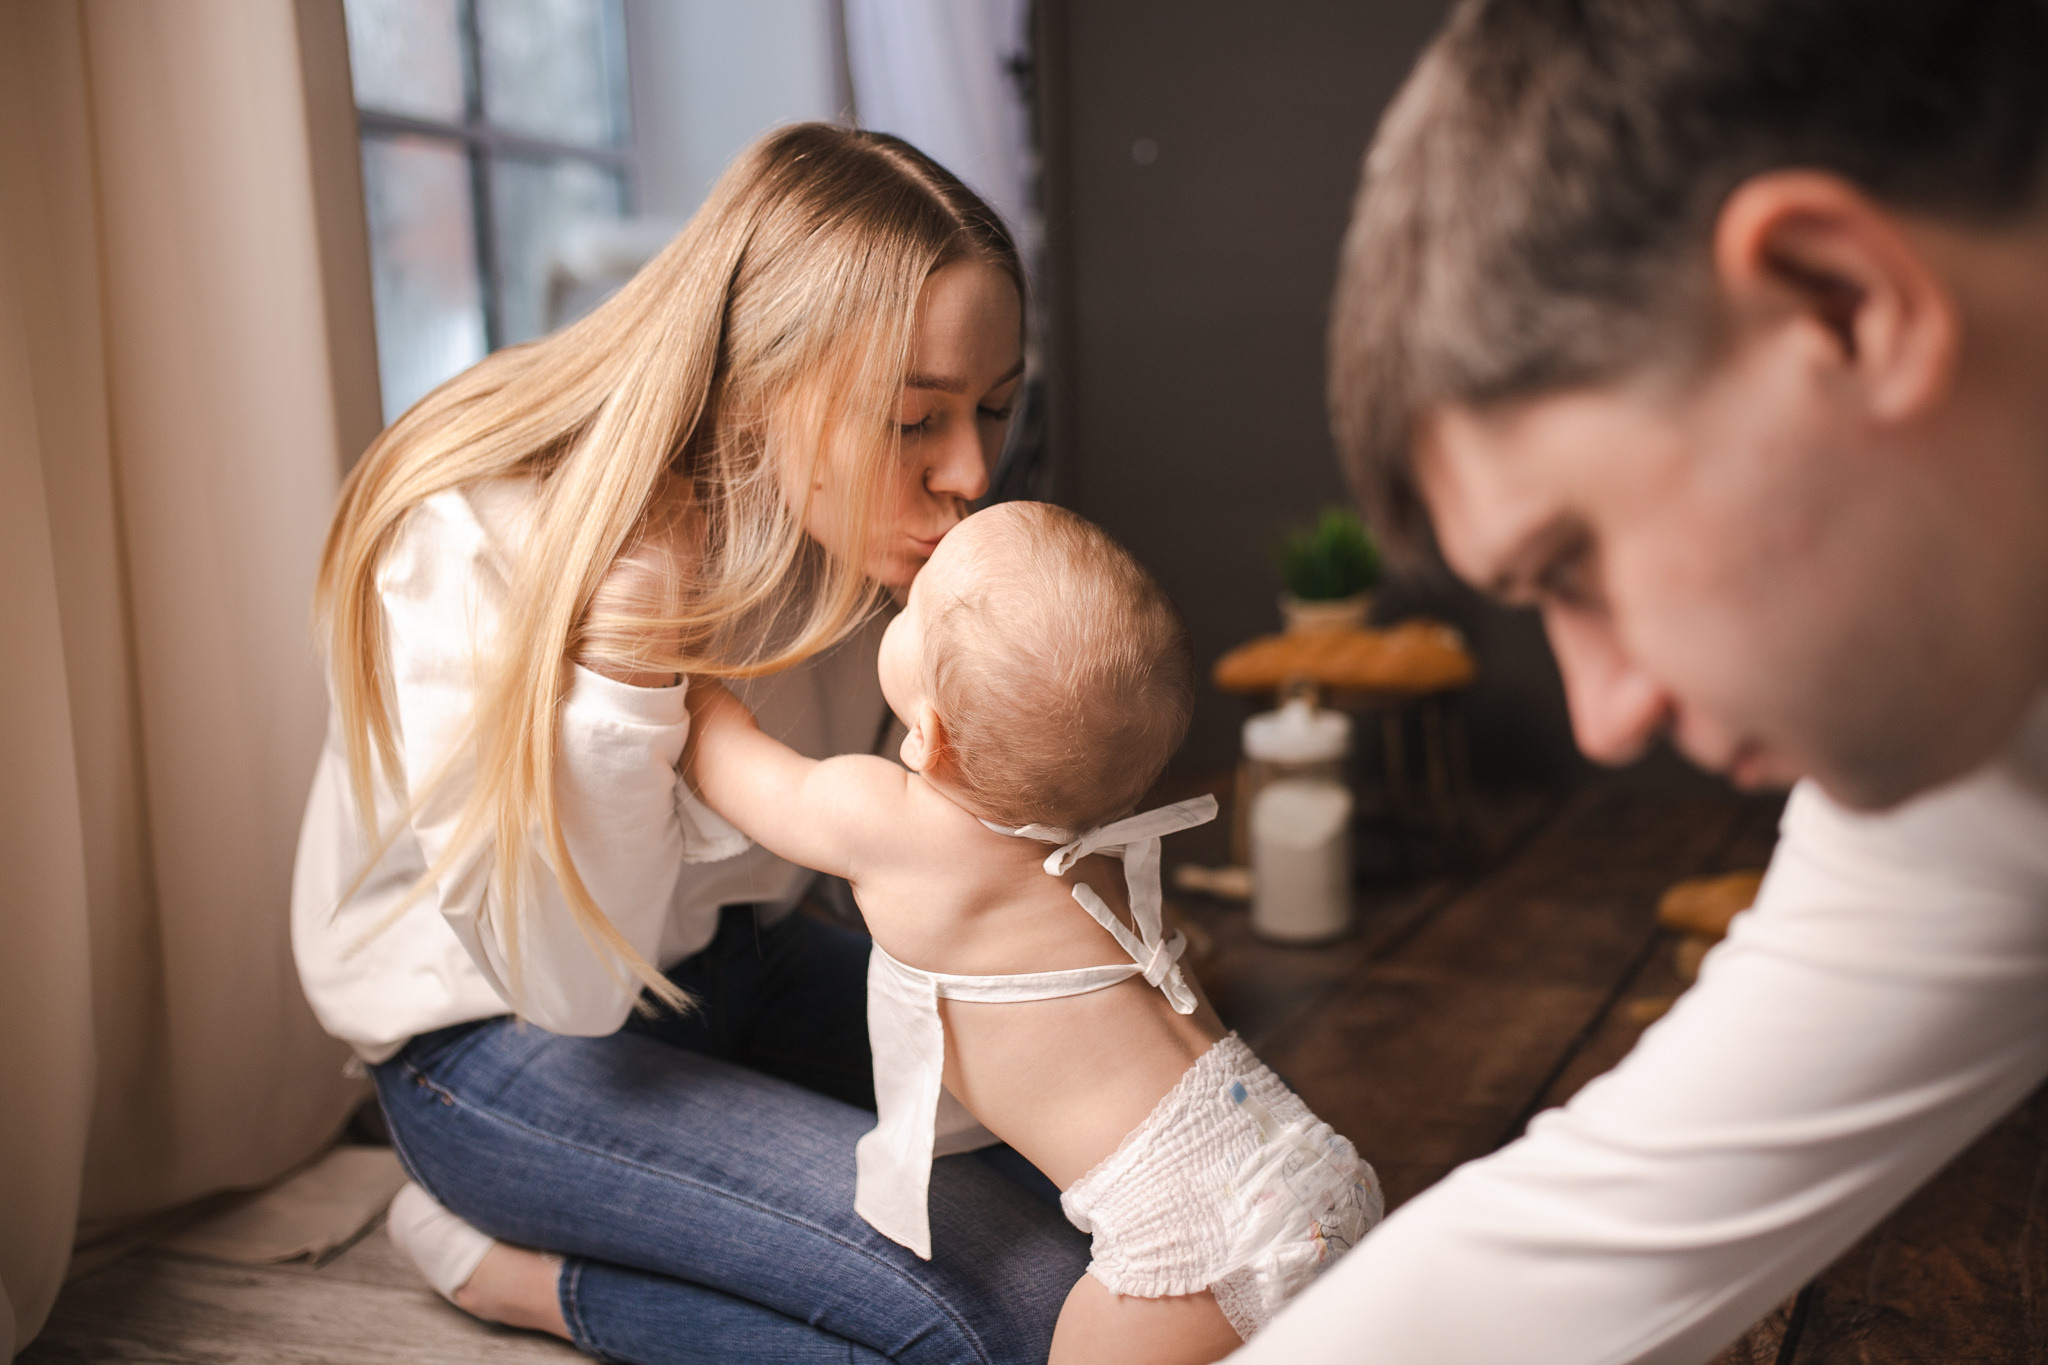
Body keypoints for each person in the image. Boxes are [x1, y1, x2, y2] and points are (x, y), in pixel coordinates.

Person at [1232, 1, 2048, 1361]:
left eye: (1576, 567)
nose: (1605, 719)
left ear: (1838, 304)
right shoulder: (1982, 761)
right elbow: (1570, 1262)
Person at [289, 124, 1091, 1364]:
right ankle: (522, 1274)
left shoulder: (871, 541)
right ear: (761, 376)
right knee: (1023, 1320)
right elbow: (570, 984)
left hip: (745, 961)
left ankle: (557, 1275)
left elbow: (895, 867)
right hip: (503, 1049)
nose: (970, 473)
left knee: (1151, 1245)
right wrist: (622, 673)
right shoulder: (477, 530)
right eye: (913, 421)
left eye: (991, 409)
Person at [682, 501, 1381, 1364]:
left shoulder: (892, 827)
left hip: (1191, 1241)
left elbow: (726, 758)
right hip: (1313, 1169)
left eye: (915, 605)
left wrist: (663, 642)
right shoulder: (1093, 841)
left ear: (929, 734)